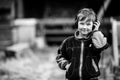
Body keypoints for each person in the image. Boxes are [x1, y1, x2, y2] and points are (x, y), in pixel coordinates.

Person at [56, 8, 109, 80]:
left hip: (92, 78)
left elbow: (101, 45)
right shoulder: (68, 42)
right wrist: (66, 65)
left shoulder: (94, 40)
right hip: (72, 78)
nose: (84, 27)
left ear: (93, 25)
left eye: (88, 24)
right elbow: (60, 56)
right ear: (76, 23)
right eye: (82, 23)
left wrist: (96, 31)